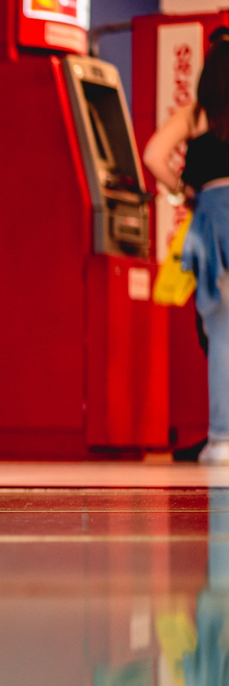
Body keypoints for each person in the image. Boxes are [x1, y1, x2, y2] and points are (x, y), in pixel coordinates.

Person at [144, 28, 229, 465]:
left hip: (212, 217)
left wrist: (183, 192)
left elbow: (153, 155)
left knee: (220, 329)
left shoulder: (196, 115)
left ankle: (222, 439)